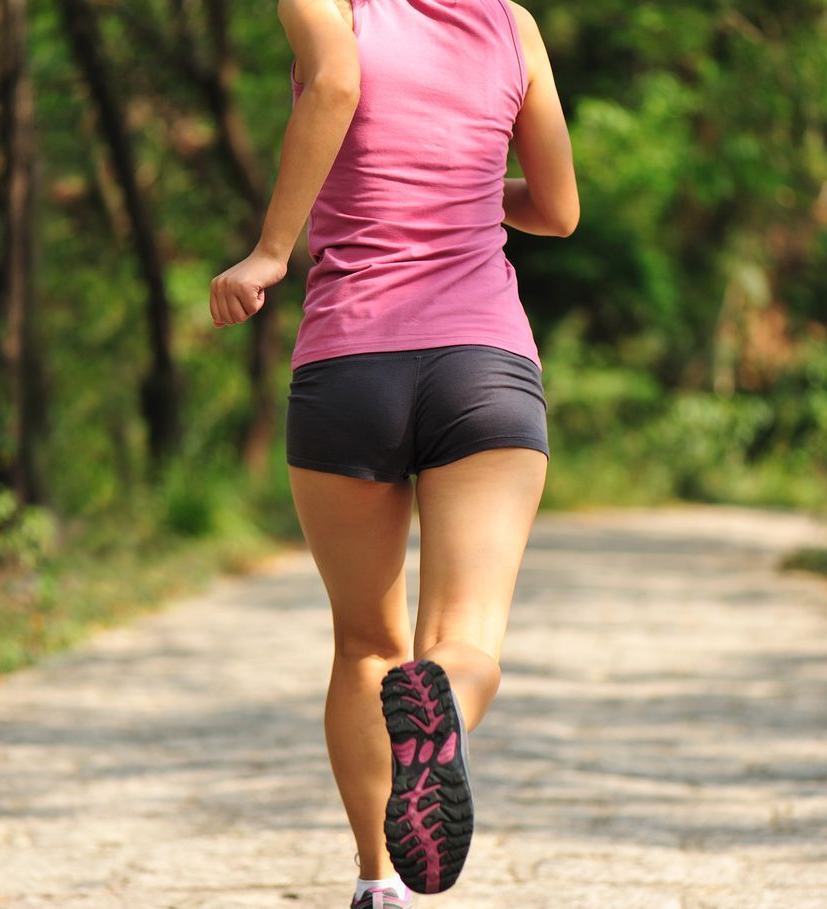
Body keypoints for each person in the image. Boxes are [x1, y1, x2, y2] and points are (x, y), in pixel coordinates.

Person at [207, 0, 578, 906]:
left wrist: (268, 252)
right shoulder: (511, 24)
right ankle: (442, 709)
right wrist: (456, 183)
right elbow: (559, 211)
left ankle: (381, 884)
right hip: (483, 365)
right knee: (464, 640)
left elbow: (335, 80)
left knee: (364, 643)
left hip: (350, 365)